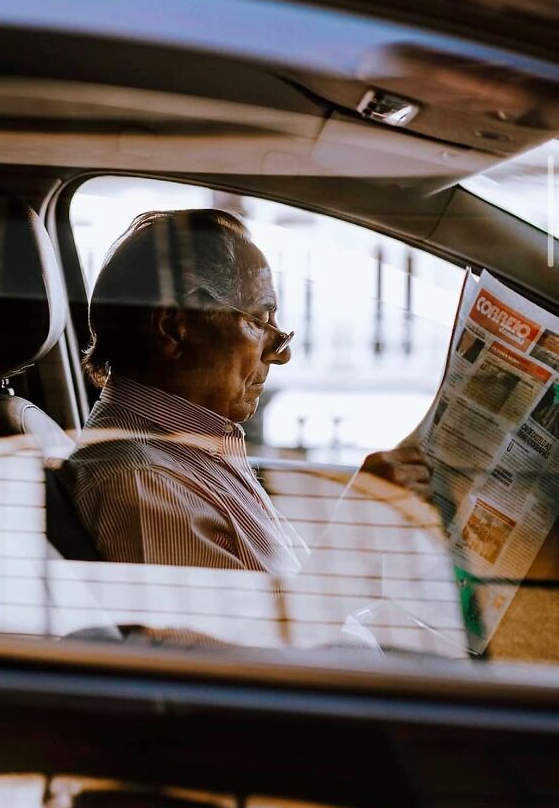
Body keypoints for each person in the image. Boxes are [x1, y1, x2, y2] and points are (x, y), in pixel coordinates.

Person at [62, 209, 431, 571]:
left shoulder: (192, 450)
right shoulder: (140, 481)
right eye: (261, 319)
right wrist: (359, 533)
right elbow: (246, 633)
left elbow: (282, 602)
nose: (279, 354)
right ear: (174, 329)